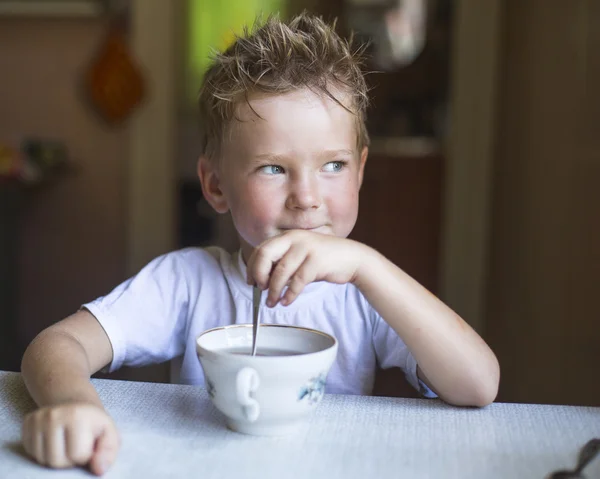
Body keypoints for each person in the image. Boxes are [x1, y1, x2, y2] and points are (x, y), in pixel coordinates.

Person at [20, 12, 500, 476]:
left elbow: (479, 384)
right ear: (215, 186)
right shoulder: (187, 283)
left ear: (361, 171)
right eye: (273, 168)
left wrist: (369, 266)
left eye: (333, 165)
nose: (307, 199)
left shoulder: (367, 292)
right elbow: (55, 345)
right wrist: (72, 406)